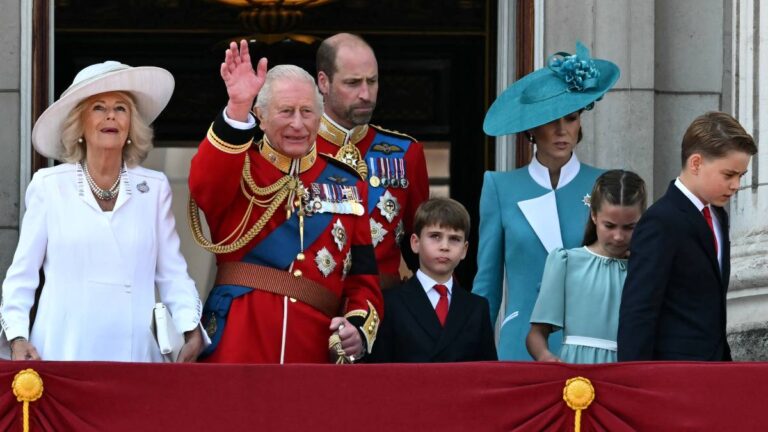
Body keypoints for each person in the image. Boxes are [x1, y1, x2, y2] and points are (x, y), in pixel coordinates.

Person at [189, 40, 382, 364]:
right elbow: (204, 188)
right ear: (261, 116)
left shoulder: (349, 183)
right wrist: (237, 106)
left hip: (312, 351)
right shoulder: (239, 166)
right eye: (286, 111)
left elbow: (363, 280)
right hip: (238, 344)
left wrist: (357, 328)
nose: (298, 124)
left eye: (307, 112)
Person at [0, 61, 206, 362]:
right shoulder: (49, 186)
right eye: (98, 107)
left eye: (120, 108)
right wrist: (18, 337)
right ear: (79, 124)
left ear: (131, 125)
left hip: (134, 357)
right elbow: (22, 276)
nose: (111, 115)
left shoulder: (154, 188)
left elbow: (173, 274)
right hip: (62, 352)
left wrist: (190, 328)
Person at [473, 42, 620, 360]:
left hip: (590, 344)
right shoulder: (500, 187)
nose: (561, 130)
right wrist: (473, 355)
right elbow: (487, 283)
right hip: (519, 345)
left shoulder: (605, 184)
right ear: (531, 128)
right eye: (550, 119)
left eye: (571, 118)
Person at [618, 112, 757, 361]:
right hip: (672, 370)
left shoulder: (718, 216)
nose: (736, 185)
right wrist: (634, 379)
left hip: (714, 368)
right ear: (696, 163)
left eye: (741, 176)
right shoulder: (660, 220)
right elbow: (639, 310)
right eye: (728, 175)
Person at [316, 33, 430, 290]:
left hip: (382, 305)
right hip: (313, 305)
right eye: (353, 83)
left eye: (372, 81)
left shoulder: (406, 153)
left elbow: (423, 247)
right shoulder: (296, 148)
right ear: (324, 82)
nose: (366, 94)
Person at [526, 170, 646, 364]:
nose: (618, 236)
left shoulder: (646, 269)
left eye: (629, 227)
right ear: (594, 216)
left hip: (629, 371)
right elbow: (536, 334)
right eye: (610, 226)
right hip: (576, 373)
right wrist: (545, 356)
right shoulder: (566, 262)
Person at [367, 198, 497, 362]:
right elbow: (379, 369)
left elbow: (487, 371)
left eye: (454, 239)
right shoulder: (389, 303)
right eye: (435, 236)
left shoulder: (477, 307)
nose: (445, 246)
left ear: (464, 250)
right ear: (415, 243)